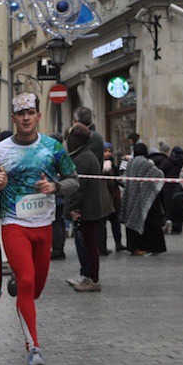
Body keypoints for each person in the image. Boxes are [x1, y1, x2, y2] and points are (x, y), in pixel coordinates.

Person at [0, 93, 78, 365]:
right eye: (20, 114)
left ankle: (20, 283)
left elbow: (74, 180)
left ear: (38, 116)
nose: (26, 118)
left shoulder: (53, 147)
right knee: (26, 281)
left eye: (30, 113)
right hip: (14, 224)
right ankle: (34, 348)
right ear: (13, 118)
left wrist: (55, 187)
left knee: (35, 289)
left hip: (43, 224)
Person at [64, 123, 112, 292]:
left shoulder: (84, 158)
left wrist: (73, 208)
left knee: (88, 245)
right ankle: (85, 274)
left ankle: (92, 278)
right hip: (86, 210)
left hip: (86, 210)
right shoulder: (83, 155)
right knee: (84, 243)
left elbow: (78, 188)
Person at [120, 143, 166, 255]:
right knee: (150, 223)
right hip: (147, 198)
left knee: (132, 221)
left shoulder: (130, 163)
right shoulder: (147, 163)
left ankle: (134, 247)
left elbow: (124, 179)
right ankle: (152, 247)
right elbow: (159, 175)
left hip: (131, 197)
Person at [101, 142, 124, 253]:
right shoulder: (104, 165)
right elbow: (110, 183)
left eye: (109, 151)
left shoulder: (113, 165)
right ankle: (104, 246)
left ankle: (118, 243)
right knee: (104, 223)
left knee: (115, 222)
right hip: (107, 197)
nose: (108, 154)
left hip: (113, 198)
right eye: (105, 151)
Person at [158, 146, 183, 234]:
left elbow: (160, 172)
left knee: (168, 206)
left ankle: (168, 222)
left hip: (168, 187)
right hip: (180, 187)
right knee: (179, 206)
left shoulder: (167, 161)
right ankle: (178, 226)